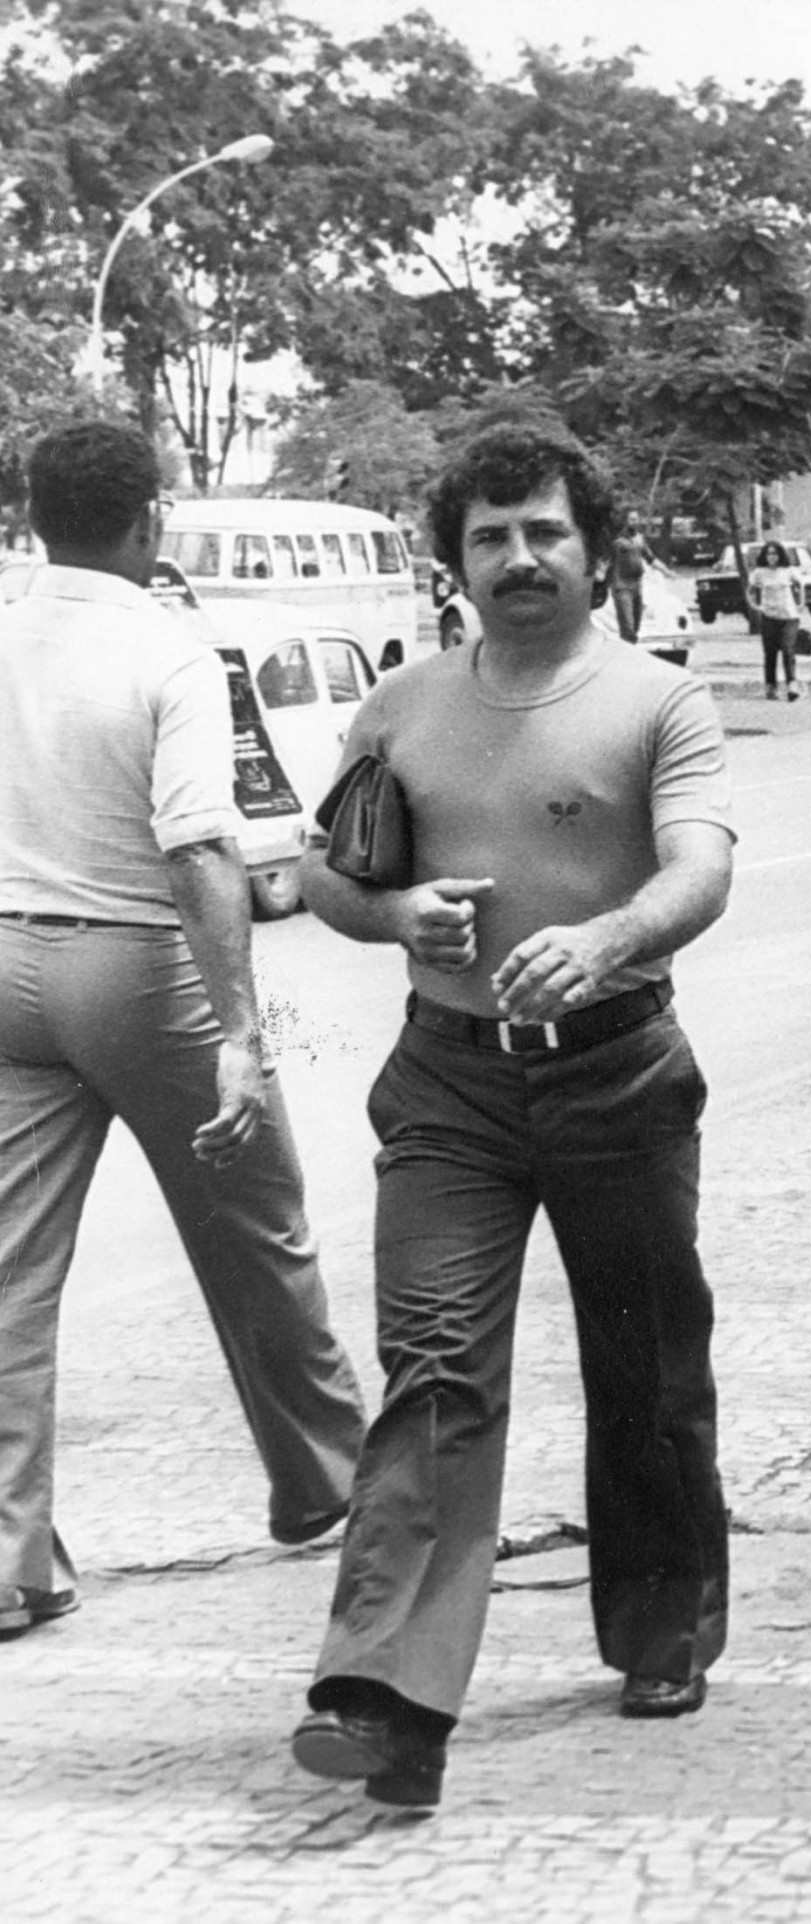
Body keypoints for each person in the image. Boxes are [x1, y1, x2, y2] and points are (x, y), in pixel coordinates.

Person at [288, 423, 738, 1809]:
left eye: (545, 531)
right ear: (456, 562)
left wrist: (604, 944)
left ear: (596, 551)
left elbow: (702, 871)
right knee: (432, 1372)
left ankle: (662, 1626)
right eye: (491, 537)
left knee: (644, 1359)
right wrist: (389, 911)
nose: (521, 557)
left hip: (619, 1071)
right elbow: (324, 874)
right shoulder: (401, 708)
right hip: (450, 1087)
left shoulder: (661, 702)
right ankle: (385, 1701)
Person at [0, 421, 367, 1641]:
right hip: (136, 966)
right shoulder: (169, 650)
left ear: (38, 513)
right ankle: (328, 1480)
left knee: (8, 1280)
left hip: (5, 961)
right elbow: (200, 845)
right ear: (149, 520)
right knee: (256, 1226)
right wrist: (240, 1033)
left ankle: (13, 1563)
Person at [747, 539, 803, 701]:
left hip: (789, 617)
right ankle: (771, 687)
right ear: (765, 556)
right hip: (769, 617)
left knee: (787, 649)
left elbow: (800, 585)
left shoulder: (788, 571)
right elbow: (750, 591)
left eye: (775, 553)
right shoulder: (759, 573)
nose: (772, 557)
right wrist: (754, 606)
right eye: (769, 554)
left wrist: (800, 604)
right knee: (770, 653)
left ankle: (792, 684)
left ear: (780, 555)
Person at [608, 528, 652, 644]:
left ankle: (630, 649)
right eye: (631, 519)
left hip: (637, 586)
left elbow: (651, 558)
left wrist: (667, 571)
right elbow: (605, 560)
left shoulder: (639, 539)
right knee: (628, 626)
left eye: (636, 519)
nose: (634, 522)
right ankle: (627, 655)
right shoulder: (617, 541)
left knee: (636, 625)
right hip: (622, 586)